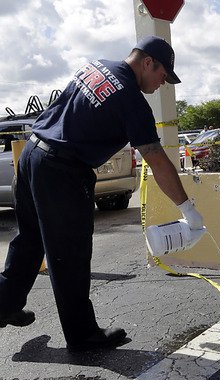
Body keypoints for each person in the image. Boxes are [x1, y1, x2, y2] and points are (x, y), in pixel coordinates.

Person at [0, 36, 204, 352]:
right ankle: (82, 336)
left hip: (31, 156)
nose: (162, 84)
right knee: (70, 252)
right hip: (61, 170)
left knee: (30, 238)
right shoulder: (132, 101)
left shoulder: (96, 67)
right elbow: (157, 160)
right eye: (163, 76)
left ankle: (4, 303)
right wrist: (187, 209)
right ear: (148, 62)